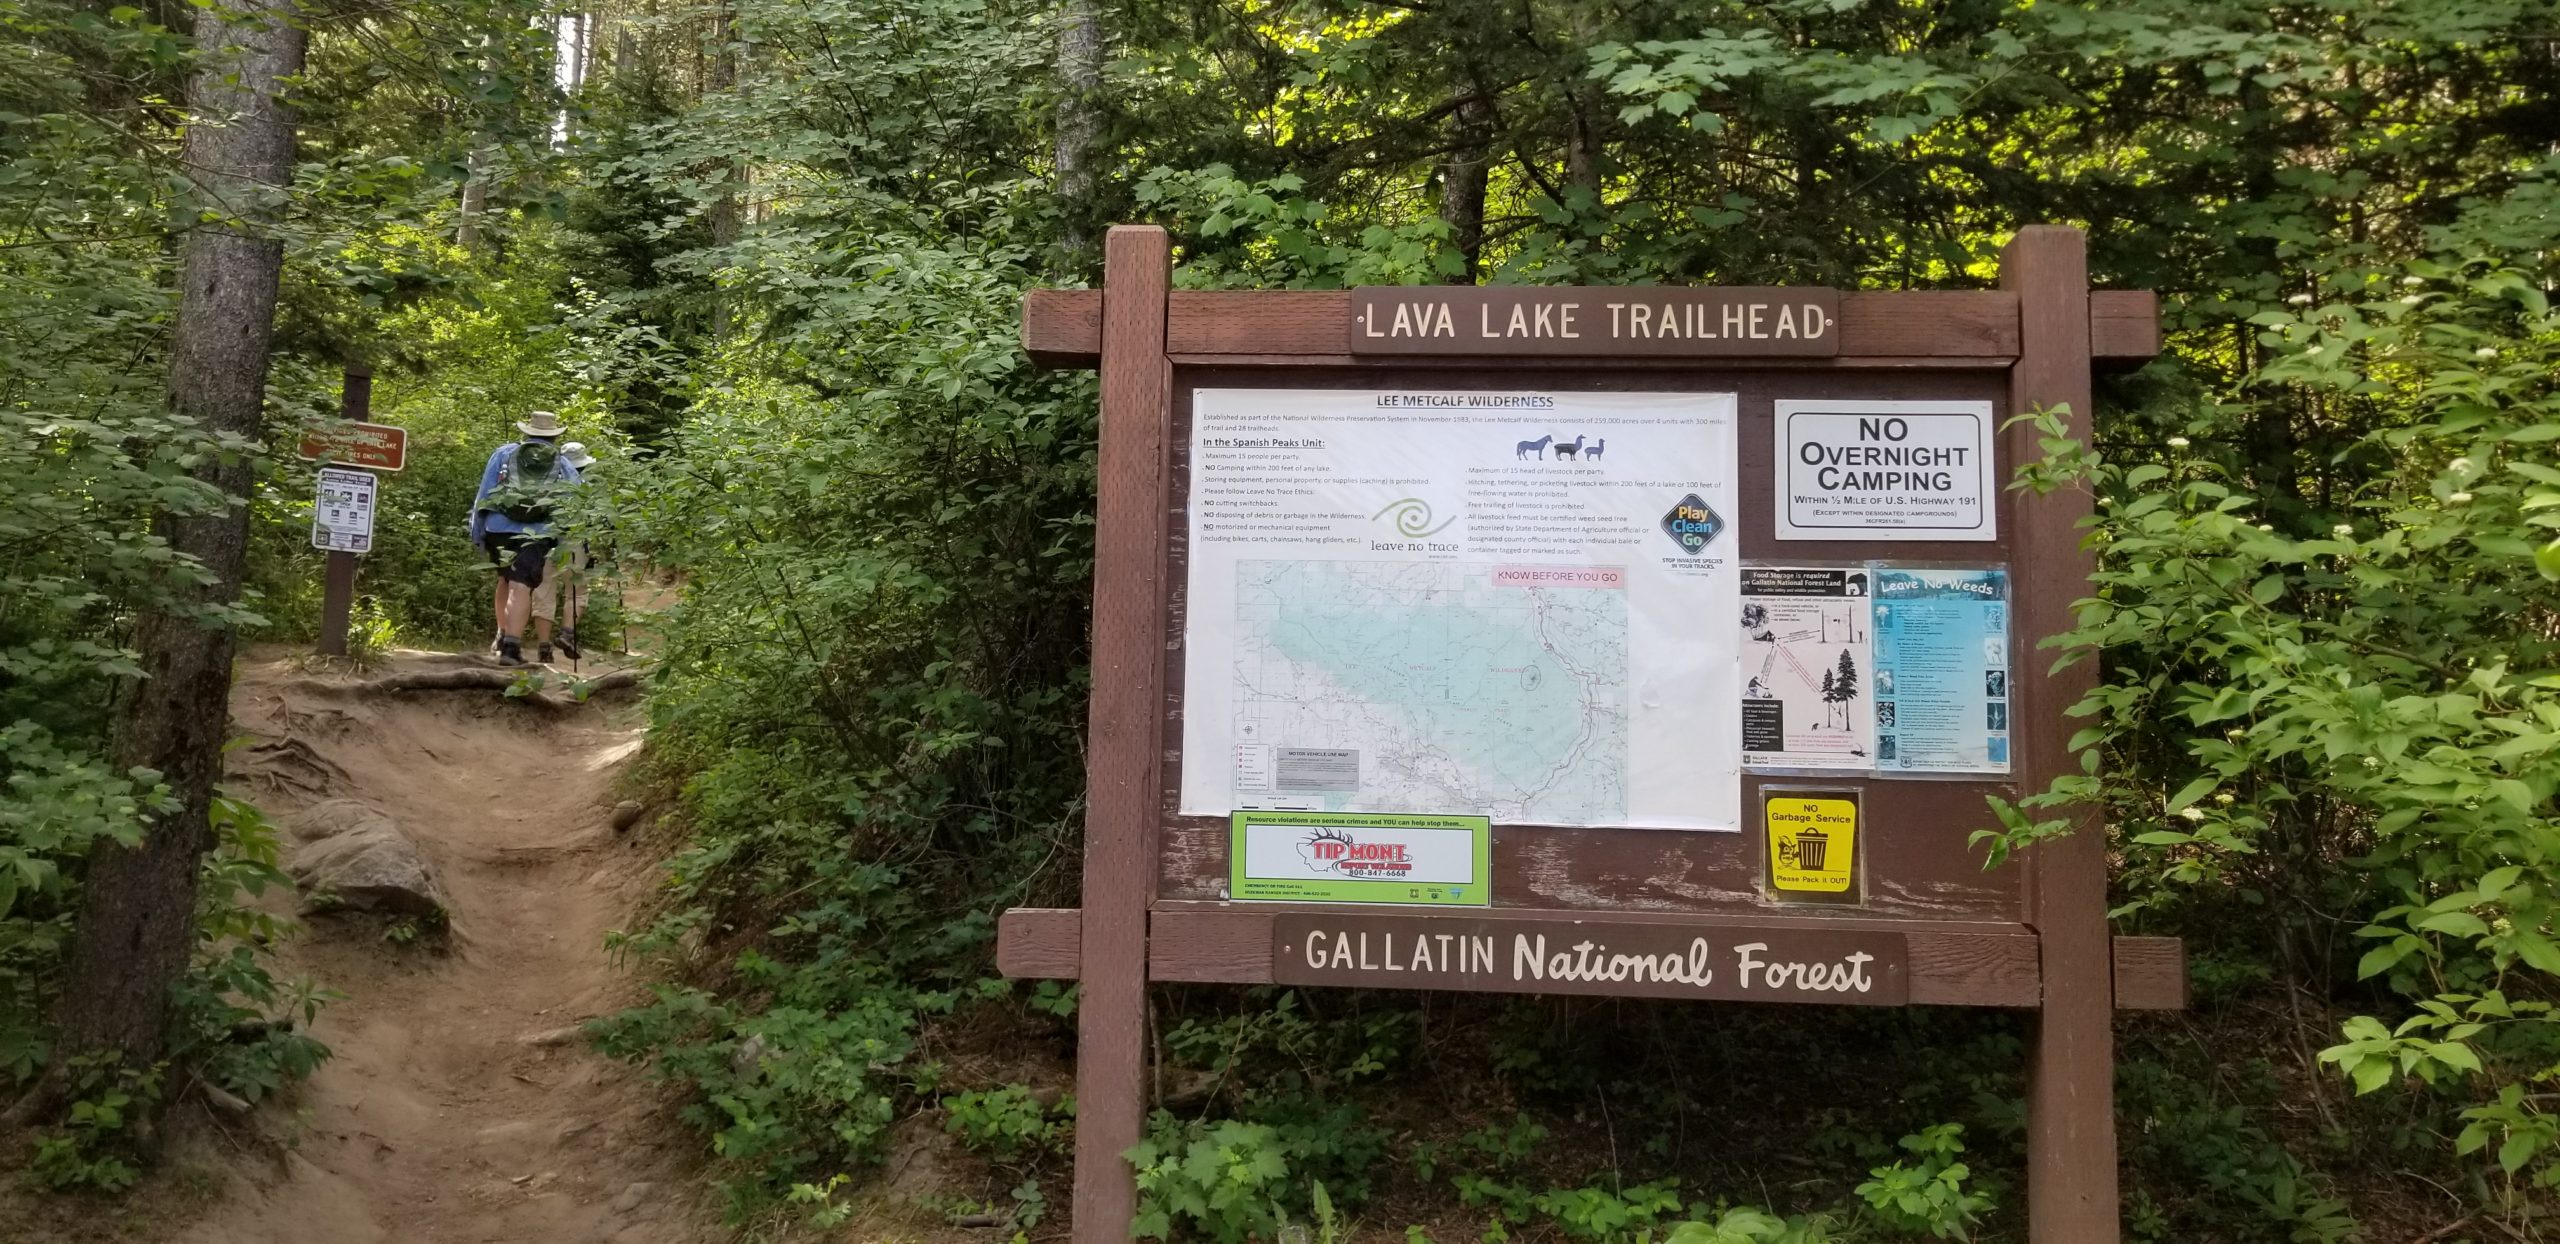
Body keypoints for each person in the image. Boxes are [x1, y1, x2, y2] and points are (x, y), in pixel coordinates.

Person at [468, 411, 582, 665]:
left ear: (527, 431)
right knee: (521, 586)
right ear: (554, 436)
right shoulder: (562, 464)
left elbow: (484, 493)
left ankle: (501, 635)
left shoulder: (503, 454)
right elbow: (572, 502)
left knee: (505, 579)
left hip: (498, 527)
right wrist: (563, 540)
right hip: (537, 533)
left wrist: (477, 531)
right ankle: (511, 649)